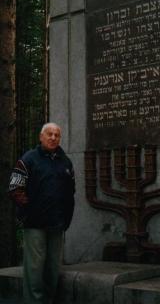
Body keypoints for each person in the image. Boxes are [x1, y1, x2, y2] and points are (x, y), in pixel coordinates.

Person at [8, 122, 75, 304]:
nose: (53, 138)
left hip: (57, 224)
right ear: (41, 137)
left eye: (57, 135)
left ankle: (49, 300)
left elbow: (71, 191)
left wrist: (66, 217)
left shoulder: (65, 162)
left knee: (52, 269)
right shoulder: (28, 159)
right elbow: (15, 188)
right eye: (49, 134)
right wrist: (31, 211)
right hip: (35, 224)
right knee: (35, 269)